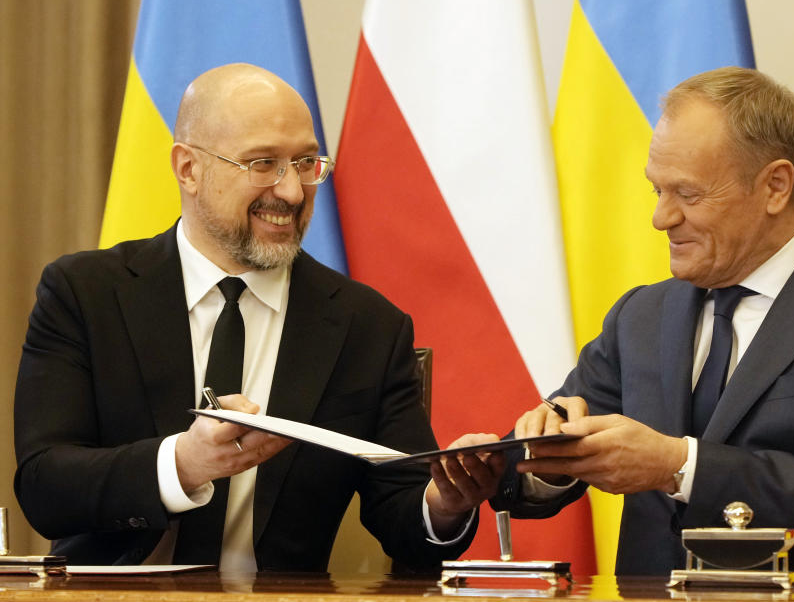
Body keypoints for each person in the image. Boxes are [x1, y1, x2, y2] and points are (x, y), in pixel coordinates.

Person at [14, 63, 503, 572]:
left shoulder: (367, 326)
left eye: (307, 162)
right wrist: (183, 464)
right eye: (264, 163)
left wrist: (445, 503)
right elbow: (46, 487)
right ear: (188, 169)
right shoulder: (86, 294)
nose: (292, 192)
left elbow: (405, 517)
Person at [488, 67, 794, 578]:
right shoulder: (642, 314)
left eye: (687, 195)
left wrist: (678, 465)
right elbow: (535, 471)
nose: (661, 218)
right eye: (656, 191)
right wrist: (532, 452)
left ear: (775, 186)